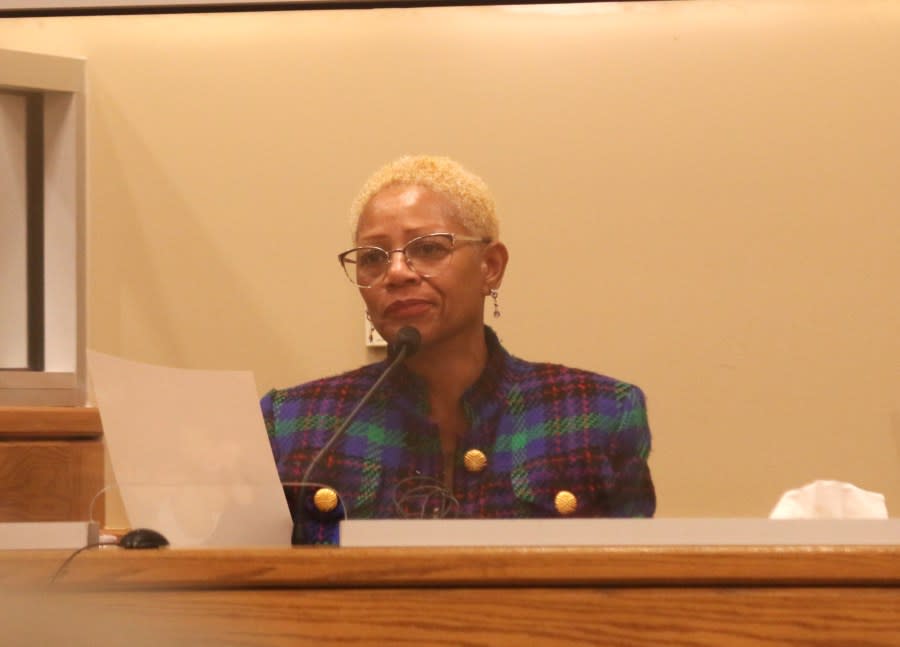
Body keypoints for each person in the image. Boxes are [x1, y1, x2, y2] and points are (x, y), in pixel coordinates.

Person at [261, 155, 655, 544]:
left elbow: (635, 593)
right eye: (372, 258)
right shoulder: (294, 425)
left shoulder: (597, 415)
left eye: (429, 249)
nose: (396, 272)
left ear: (490, 266)